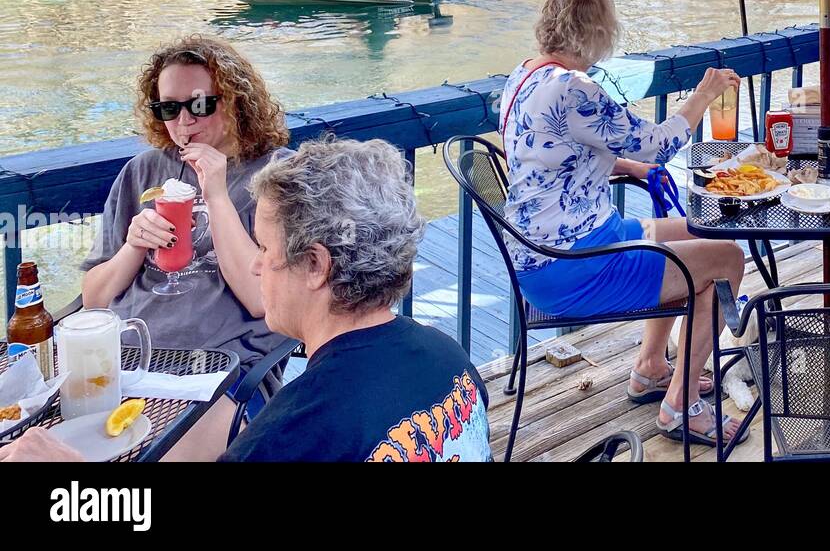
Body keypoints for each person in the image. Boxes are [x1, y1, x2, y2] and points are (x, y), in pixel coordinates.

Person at [2, 138, 491, 463]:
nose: (256, 266)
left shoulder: (298, 429)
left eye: (267, 249)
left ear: (317, 266)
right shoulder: (449, 360)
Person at [500, 0, 746, 449]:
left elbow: (549, 151)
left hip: (547, 250)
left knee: (701, 227)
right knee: (727, 260)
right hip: (574, 264)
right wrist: (704, 93)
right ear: (596, 31)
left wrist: (621, 164)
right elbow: (658, 141)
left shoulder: (525, 76)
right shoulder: (574, 89)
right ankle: (681, 407)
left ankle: (651, 368)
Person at [80, 34, 290, 461]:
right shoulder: (144, 171)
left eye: (199, 105)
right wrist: (133, 246)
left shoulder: (277, 175)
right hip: (124, 360)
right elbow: (94, 299)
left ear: (235, 101)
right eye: (168, 108)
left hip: (220, 370)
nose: (183, 122)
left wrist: (215, 193)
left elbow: (259, 300)